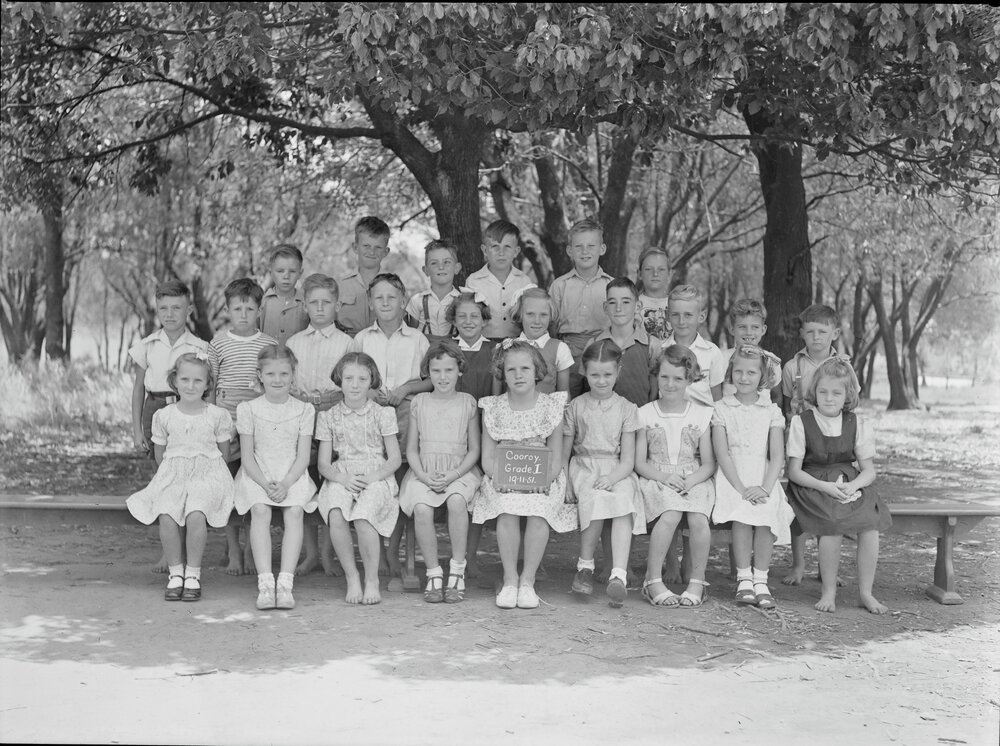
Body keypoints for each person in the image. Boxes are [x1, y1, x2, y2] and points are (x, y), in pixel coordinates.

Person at [473, 339, 575, 609]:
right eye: (511, 370)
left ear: (537, 371)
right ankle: (509, 579)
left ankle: (528, 581)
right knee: (507, 509)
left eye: (525, 369)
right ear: (502, 373)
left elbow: (554, 454)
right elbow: (487, 456)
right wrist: (500, 480)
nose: (518, 375)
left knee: (538, 511)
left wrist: (544, 481)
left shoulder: (550, 406)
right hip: (502, 479)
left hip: (542, 480)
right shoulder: (493, 408)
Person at [126, 353, 235, 602]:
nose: (190, 385)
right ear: (174, 381)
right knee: (167, 513)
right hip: (173, 475)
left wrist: (202, 475)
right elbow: (161, 456)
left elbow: (223, 455)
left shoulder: (217, 415)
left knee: (196, 513)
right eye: (185, 379)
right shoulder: (164, 416)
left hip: (209, 475)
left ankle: (193, 575)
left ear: (208, 384)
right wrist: (177, 478)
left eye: (198, 380)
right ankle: (176, 573)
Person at [787, 358, 891, 614]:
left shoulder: (856, 423)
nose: (829, 398)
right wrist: (826, 487)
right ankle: (829, 591)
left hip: (847, 482)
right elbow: (794, 472)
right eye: (823, 392)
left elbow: (869, 471)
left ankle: (866, 592)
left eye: (836, 392)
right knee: (832, 523)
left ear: (847, 395)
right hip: (811, 484)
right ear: (815, 392)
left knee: (870, 523)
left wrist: (853, 485)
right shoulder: (803, 422)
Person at [128, 279, 209, 573]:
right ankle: (170, 553)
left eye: (177, 307)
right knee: (165, 480)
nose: (170, 314)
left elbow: (208, 389)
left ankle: (187, 553)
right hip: (156, 409)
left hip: (189, 410)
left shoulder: (200, 347)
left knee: (189, 481)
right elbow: (138, 389)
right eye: (164, 308)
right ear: (157, 309)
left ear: (188, 309)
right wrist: (138, 429)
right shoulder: (147, 345)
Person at [780, 303, 860, 586]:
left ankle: (826, 568)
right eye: (810, 331)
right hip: (802, 441)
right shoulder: (792, 367)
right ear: (802, 333)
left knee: (829, 508)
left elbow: (852, 402)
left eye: (822, 332)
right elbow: (788, 405)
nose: (816, 337)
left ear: (835, 333)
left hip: (832, 442)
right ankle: (798, 563)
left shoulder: (844, 367)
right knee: (799, 503)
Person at [233, 346, 318, 611]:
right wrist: (265, 484)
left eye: (284, 373)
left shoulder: (304, 410)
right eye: (270, 373)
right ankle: (266, 583)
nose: (277, 379)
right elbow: (247, 457)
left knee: (294, 512)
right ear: (260, 375)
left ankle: (285, 583)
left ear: (293, 375)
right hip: (257, 473)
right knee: (260, 510)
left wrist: (285, 484)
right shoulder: (248, 408)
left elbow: (303, 457)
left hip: (291, 474)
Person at [316, 353, 402, 605]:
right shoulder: (328, 416)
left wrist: (372, 477)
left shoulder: (383, 414)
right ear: (339, 381)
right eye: (349, 378)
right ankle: (352, 577)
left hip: (377, 475)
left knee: (364, 517)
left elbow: (394, 459)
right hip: (342, 475)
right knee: (336, 513)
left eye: (362, 379)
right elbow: (323, 463)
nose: (355, 385)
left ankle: (371, 579)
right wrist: (342, 479)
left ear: (371, 381)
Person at [711, 344, 794, 610]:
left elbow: (777, 455)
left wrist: (766, 488)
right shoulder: (722, 408)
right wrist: (741, 487)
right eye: (738, 371)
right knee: (742, 513)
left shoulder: (771, 411)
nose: (744, 378)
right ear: (730, 373)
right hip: (732, 477)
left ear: (762, 376)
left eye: (751, 372)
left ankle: (761, 579)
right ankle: (743, 578)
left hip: (763, 475)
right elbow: (722, 455)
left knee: (767, 512)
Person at [399, 342, 483, 603]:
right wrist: (423, 476)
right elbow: (411, 449)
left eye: (449, 369)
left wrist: (454, 475)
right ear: (428, 372)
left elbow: (474, 450)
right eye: (436, 371)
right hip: (424, 470)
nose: (443, 377)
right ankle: (434, 572)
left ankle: (457, 569)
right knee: (422, 508)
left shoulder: (467, 403)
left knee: (457, 501)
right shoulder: (420, 402)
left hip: (459, 471)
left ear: (460, 370)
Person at [563, 340, 644, 608]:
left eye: (607, 374)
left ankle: (618, 575)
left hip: (617, 469)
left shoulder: (627, 408)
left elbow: (629, 459)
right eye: (595, 374)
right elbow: (565, 453)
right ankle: (584, 567)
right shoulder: (576, 406)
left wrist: (613, 477)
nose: (601, 381)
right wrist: (565, 483)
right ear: (584, 372)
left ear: (618, 371)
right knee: (594, 498)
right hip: (584, 466)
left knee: (623, 501)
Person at [286, 273, 357, 577]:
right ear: (304, 305)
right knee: (304, 484)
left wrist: (326, 400)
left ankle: (329, 553)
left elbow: (350, 382)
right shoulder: (293, 342)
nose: (319, 308)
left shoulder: (347, 342)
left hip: (333, 419)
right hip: (300, 419)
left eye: (326, 303)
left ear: (337, 305)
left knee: (329, 486)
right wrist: (302, 399)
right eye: (313, 303)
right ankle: (310, 553)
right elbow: (287, 382)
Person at [635, 345, 716, 607]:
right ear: (656, 376)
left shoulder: (701, 414)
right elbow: (639, 462)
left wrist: (692, 480)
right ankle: (653, 579)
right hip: (657, 478)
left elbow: (708, 463)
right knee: (670, 515)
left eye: (678, 378)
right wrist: (662, 477)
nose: (670, 384)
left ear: (689, 379)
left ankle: (697, 581)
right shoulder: (645, 413)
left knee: (698, 519)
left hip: (693, 478)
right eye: (665, 377)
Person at [208, 278, 277, 575]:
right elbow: (210, 386)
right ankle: (233, 549)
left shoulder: (269, 344)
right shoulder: (218, 343)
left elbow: (275, 384)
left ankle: (252, 547)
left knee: (252, 486)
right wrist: (211, 421)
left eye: (250, 308)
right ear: (227, 309)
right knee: (228, 485)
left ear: (259, 310)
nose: (244, 314)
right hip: (225, 422)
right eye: (238, 308)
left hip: (258, 424)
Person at [448, 290, 501, 580]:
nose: (468, 321)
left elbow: (494, 396)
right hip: (449, 428)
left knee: (478, 492)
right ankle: (454, 555)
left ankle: (471, 556)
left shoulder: (494, 350)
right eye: (462, 316)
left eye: (475, 316)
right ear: (453, 320)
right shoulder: (447, 348)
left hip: (481, 427)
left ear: (484, 320)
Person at [550, 217, 614, 397]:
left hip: (603, 348)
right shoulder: (559, 285)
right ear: (570, 250)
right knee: (569, 397)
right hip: (569, 350)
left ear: (602, 249)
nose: (585, 251)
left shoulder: (611, 286)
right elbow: (552, 326)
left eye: (591, 246)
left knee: (601, 396)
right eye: (578, 246)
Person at [590, 277, 660, 407]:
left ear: (638, 306)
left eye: (626, 302)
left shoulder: (652, 345)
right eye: (612, 302)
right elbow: (584, 388)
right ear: (605, 307)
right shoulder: (593, 343)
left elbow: (655, 390)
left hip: (640, 419)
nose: (618, 308)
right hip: (601, 420)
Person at [464, 220, 536, 340]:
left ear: (516, 251)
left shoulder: (524, 282)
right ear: (485, 250)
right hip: (483, 344)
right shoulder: (473, 281)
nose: (501, 253)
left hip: (517, 345)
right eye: (495, 246)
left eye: (507, 247)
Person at [663, 284, 725, 407]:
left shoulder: (712, 352)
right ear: (667, 315)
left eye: (688, 315)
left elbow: (717, 400)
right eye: (675, 314)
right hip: (668, 419)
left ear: (701, 316)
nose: (681, 321)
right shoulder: (660, 350)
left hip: (702, 421)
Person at [511, 287, 573, 394]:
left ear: (551, 316)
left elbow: (563, 393)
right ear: (520, 315)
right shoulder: (507, 347)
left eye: (543, 315)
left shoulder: (560, 348)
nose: (537, 321)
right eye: (530, 314)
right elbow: (497, 395)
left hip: (547, 410)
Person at [337, 216, 391, 337]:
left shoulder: (395, 286)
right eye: (366, 246)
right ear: (355, 247)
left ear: (386, 252)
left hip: (383, 347)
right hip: (348, 348)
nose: (372, 252)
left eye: (378, 247)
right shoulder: (340, 287)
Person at [721, 298, 781, 401]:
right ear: (732, 329)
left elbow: (776, 397)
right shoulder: (722, 358)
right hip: (730, 415)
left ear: (763, 330)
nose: (749, 332)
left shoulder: (770, 361)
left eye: (755, 327)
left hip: (761, 415)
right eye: (742, 327)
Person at [405, 239, 462, 342]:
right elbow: (411, 334)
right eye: (434, 263)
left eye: (447, 262)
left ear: (457, 268)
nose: (441, 267)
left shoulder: (462, 301)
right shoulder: (417, 301)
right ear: (426, 270)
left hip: (453, 352)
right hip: (424, 351)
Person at [258, 244, 309, 345]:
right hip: (267, 359)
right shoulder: (261, 302)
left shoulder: (307, 303)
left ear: (300, 273)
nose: (286, 276)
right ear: (271, 272)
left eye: (292, 271)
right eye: (280, 271)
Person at [636, 247, 672, 343]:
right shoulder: (631, 306)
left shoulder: (678, 305)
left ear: (669, 274)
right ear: (639, 274)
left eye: (661, 269)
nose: (655, 274)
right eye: (648, 269)